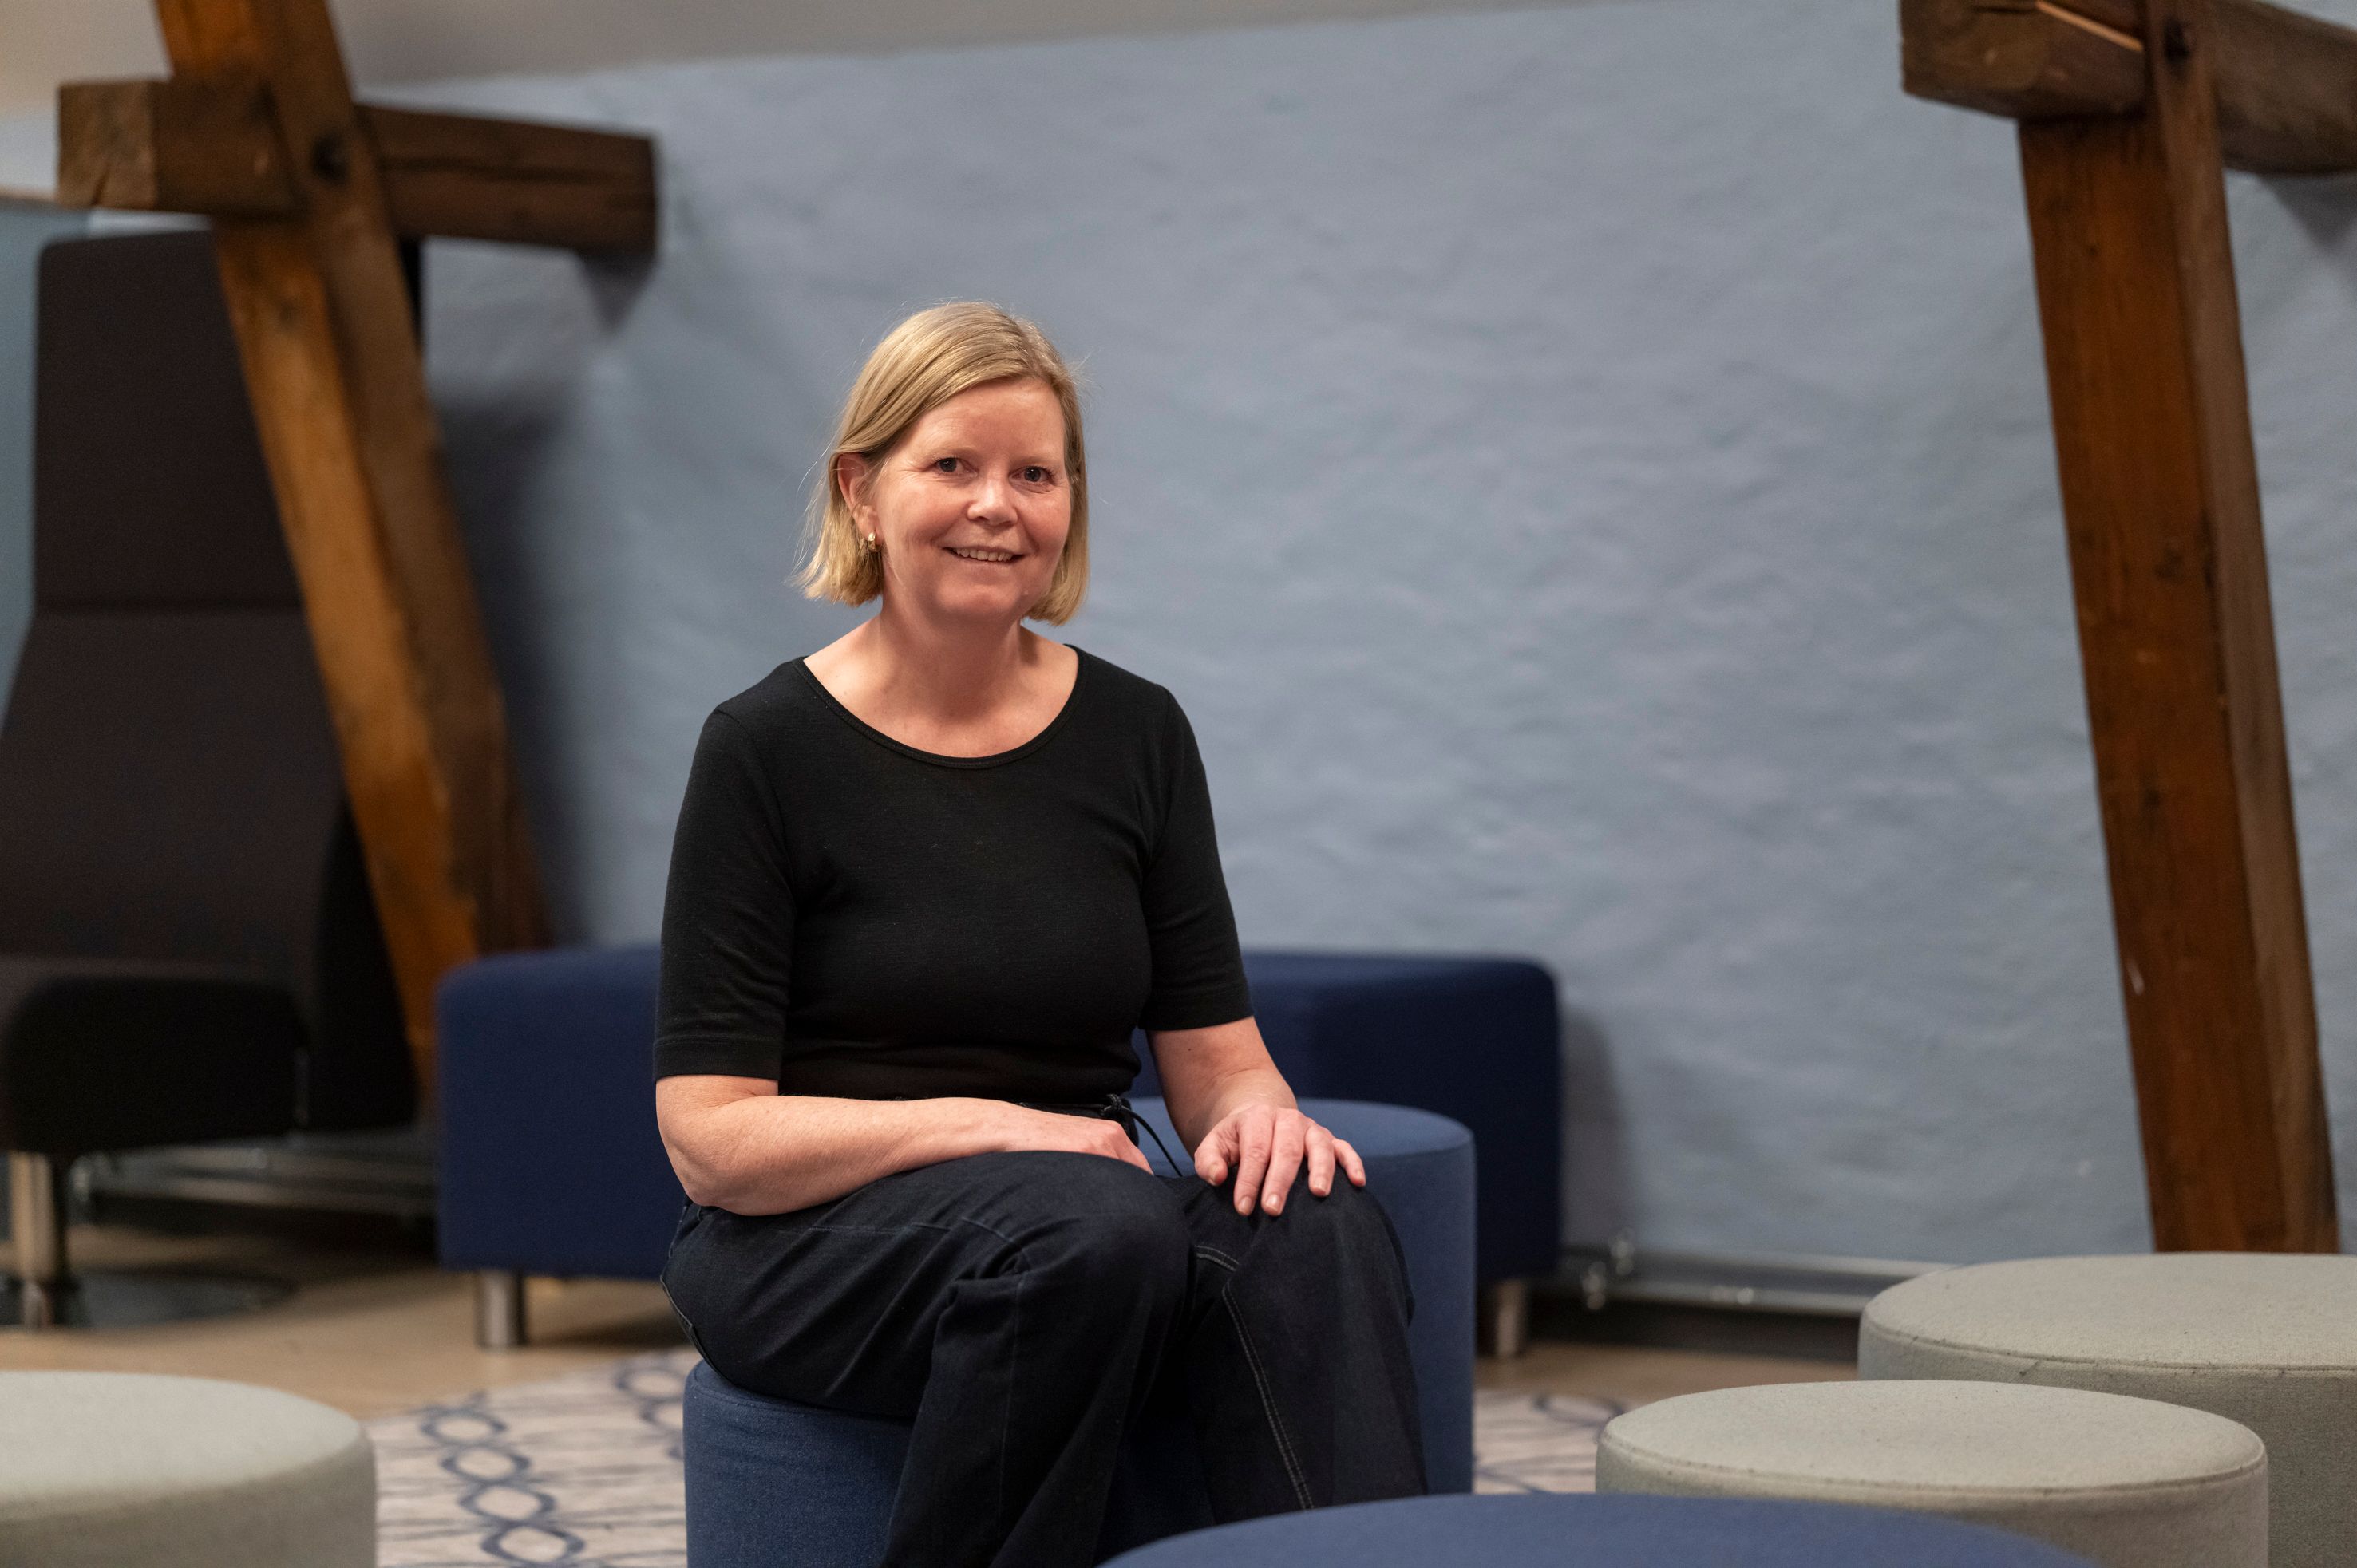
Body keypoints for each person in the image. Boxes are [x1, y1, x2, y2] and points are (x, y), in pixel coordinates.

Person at [653, 302, 1425, 1568]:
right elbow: (711, 1142)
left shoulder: (1137, 732)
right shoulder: (763, 748)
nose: (995, 506)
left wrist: (1263, 1121)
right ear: (861, 490)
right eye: (951, 464)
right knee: (1095, 1229)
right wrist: (1002, 1127)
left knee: (1315, 1220)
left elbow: (1217, 1063)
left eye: (1034, 473)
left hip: (1081, 1215)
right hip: (810, 1240)